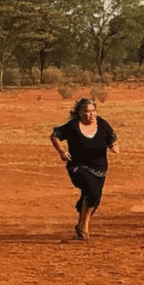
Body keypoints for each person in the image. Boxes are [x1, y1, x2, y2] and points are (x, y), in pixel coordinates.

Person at [49, 97, 119, 240]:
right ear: (79, 113)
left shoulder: (103, 124)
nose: (90, 114)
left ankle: (80, 225)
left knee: (95, 196)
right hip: (77, 166)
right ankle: (85, 228)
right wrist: (62, 151)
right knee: (91, 188)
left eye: (93, 111)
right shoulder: (73, 126)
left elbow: (112, 139)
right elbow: (54, 136)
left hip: (99, 168)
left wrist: (114, 146)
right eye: (86, 112)